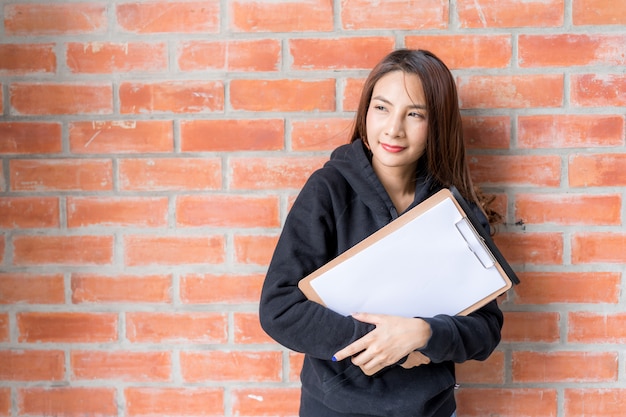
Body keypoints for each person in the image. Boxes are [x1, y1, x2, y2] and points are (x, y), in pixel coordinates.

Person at [259, 49, 503, 417]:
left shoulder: (453, 209)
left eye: (415, 114)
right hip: (334, 409)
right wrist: (383, 343)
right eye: (382, 108)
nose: (393, 128)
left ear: (437, 123)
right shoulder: (328, 190)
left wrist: (424, 334)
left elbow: (486, 329)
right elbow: (279, 308)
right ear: (366, 111)